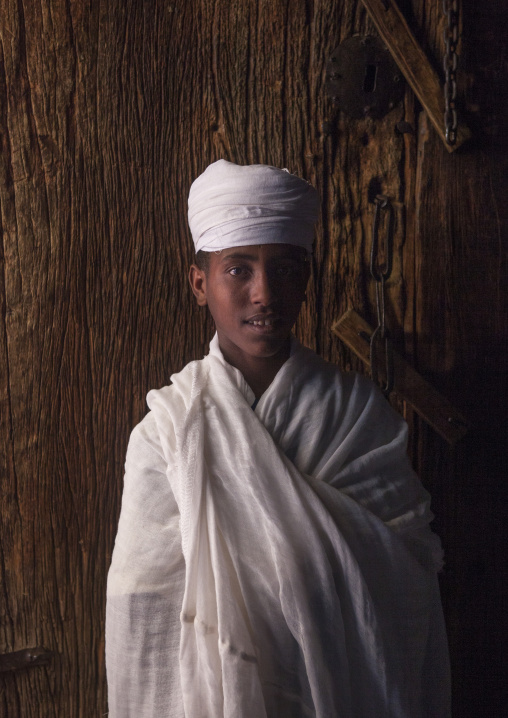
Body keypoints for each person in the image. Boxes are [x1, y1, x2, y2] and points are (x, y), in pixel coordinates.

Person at [106, 160, 451, 718]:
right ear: (200, 283)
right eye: (238, 270)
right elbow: (142, 614)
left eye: (286, 269)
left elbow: (406, 583)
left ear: (307, 279)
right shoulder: (167, 435)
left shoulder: (360, 417)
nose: (265, 294)